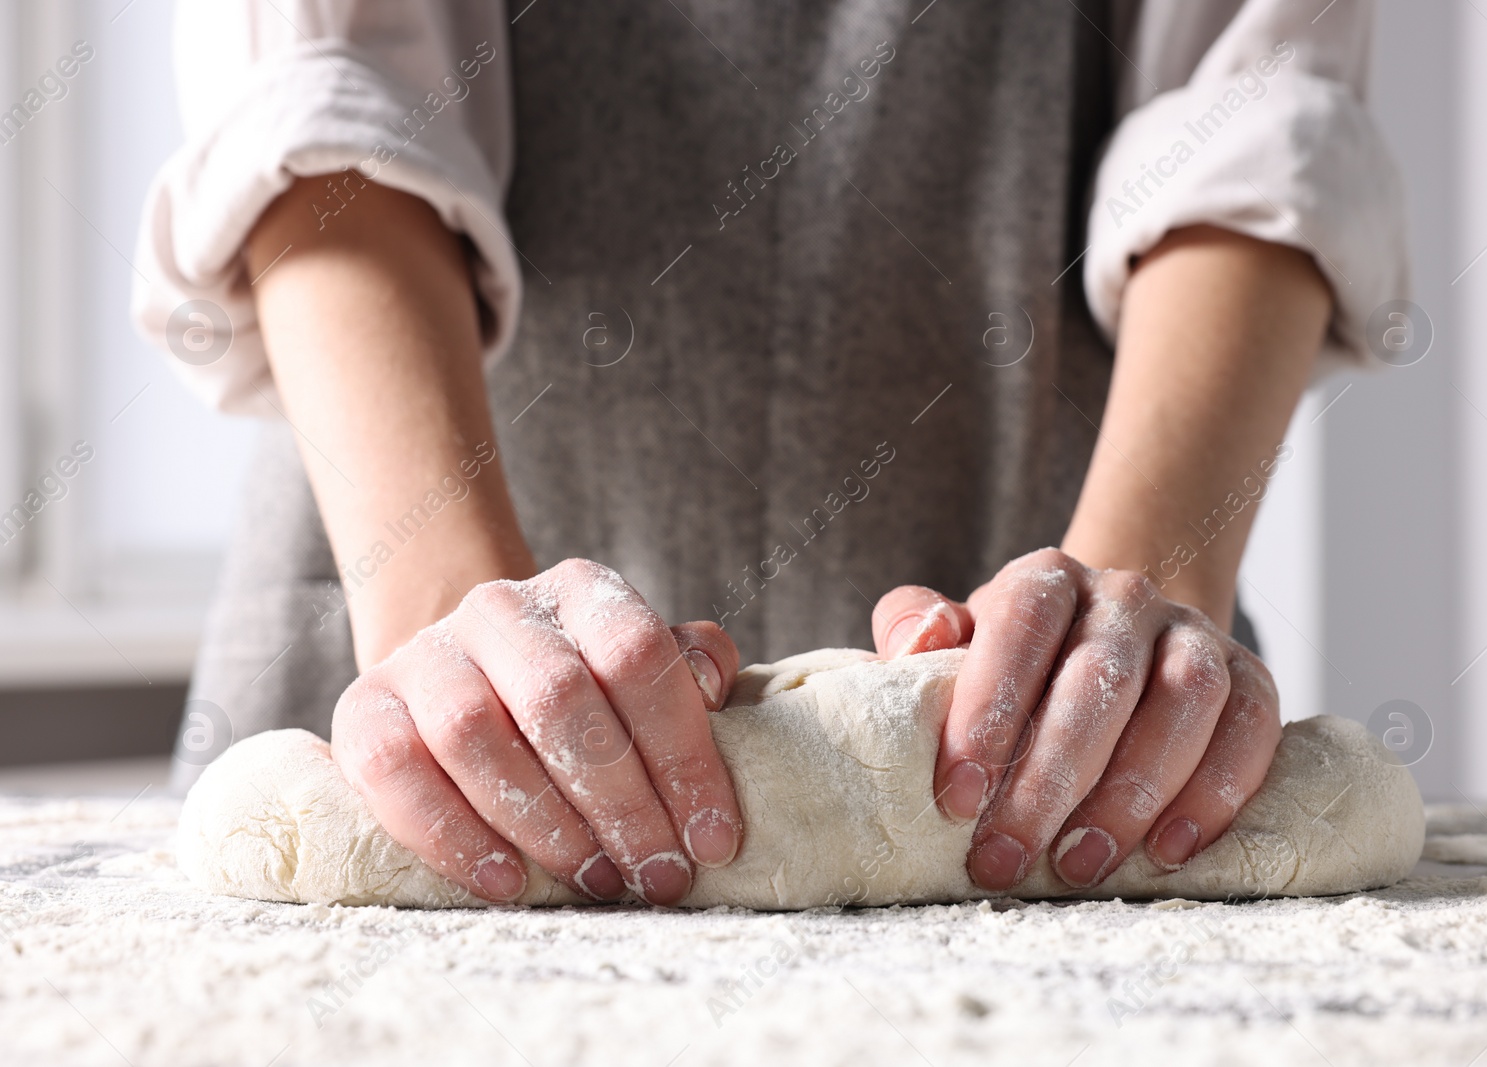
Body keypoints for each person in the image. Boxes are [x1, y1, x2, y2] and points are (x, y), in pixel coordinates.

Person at [136, 0, 1406, 906]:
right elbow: (319, 93)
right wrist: (442, 612)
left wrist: (1141, 579)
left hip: (1075, 606)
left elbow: (1249, 103)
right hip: (409, 562)